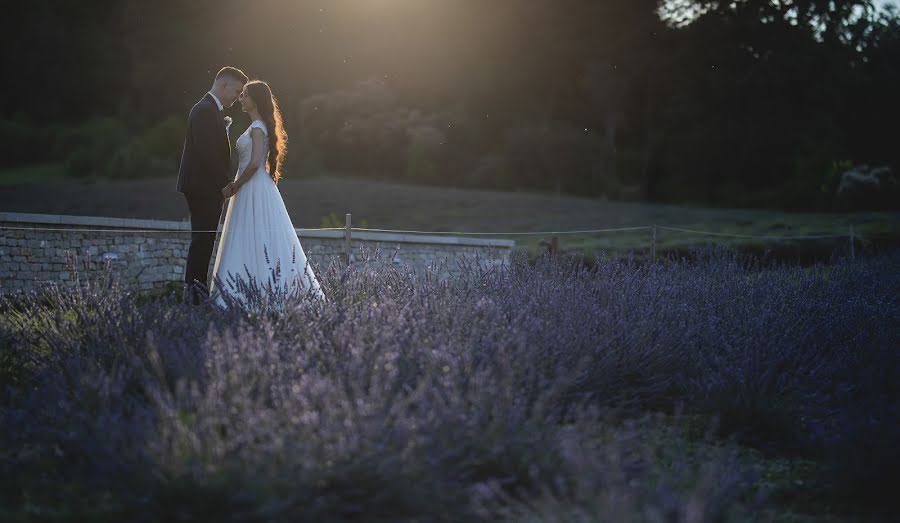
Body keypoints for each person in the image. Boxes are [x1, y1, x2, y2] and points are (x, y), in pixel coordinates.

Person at [209, 80, 325, 308]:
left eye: (245, 95)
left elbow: (254, 164)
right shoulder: (255, 126)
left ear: (255, 100)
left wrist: (234, 186)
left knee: (259, 236)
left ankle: (258, 297)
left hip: (253, 186)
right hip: (250, 186)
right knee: (249, 236)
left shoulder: (258, 128)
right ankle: (245, 293)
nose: (241, 99)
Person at [176, 66, 248, 305]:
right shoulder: (205, 110)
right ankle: (194, 296)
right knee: (202, 241)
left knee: (204, 240)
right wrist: (224, 185)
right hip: (202, 186)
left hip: (204, 185)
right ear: (223, 85)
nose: (237, 98)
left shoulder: (210, 110)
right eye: (236, 92)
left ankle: (195, 293)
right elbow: (208, 154)